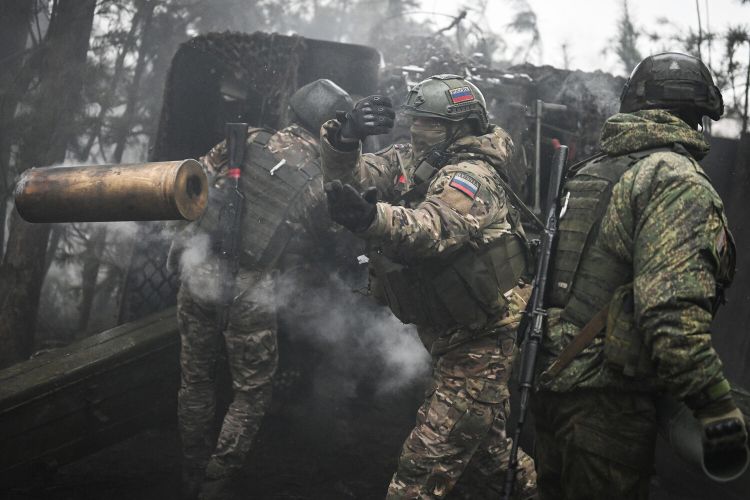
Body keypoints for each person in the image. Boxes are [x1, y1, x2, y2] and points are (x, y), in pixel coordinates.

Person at [532, 52, 747, 499]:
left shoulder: (591, 171)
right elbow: (670, 315)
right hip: (609, 405)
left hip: (554, 388)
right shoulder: (675, 180)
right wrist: (715, 406)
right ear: (698, 116)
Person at [321, 74, 537, 499]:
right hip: (449, 334)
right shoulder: (416, 156)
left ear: (460, 128)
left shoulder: (473, 177)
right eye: (415, 120)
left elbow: (434, 228)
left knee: (419, 474)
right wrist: (346, 137)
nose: (416, 129)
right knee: (492, 461)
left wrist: (372, 220)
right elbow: (360, 176)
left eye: (429, 122)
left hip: (480, 343)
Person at [168, 79, 353, 498]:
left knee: (195, 379)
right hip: (250, 292)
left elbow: (191, 181)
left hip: (199, 273)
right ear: (332, 128)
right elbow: (329, 238)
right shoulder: (317, 179)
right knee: (250, 393)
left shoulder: (246, 140)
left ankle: (191, 471)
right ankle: (216, 482)